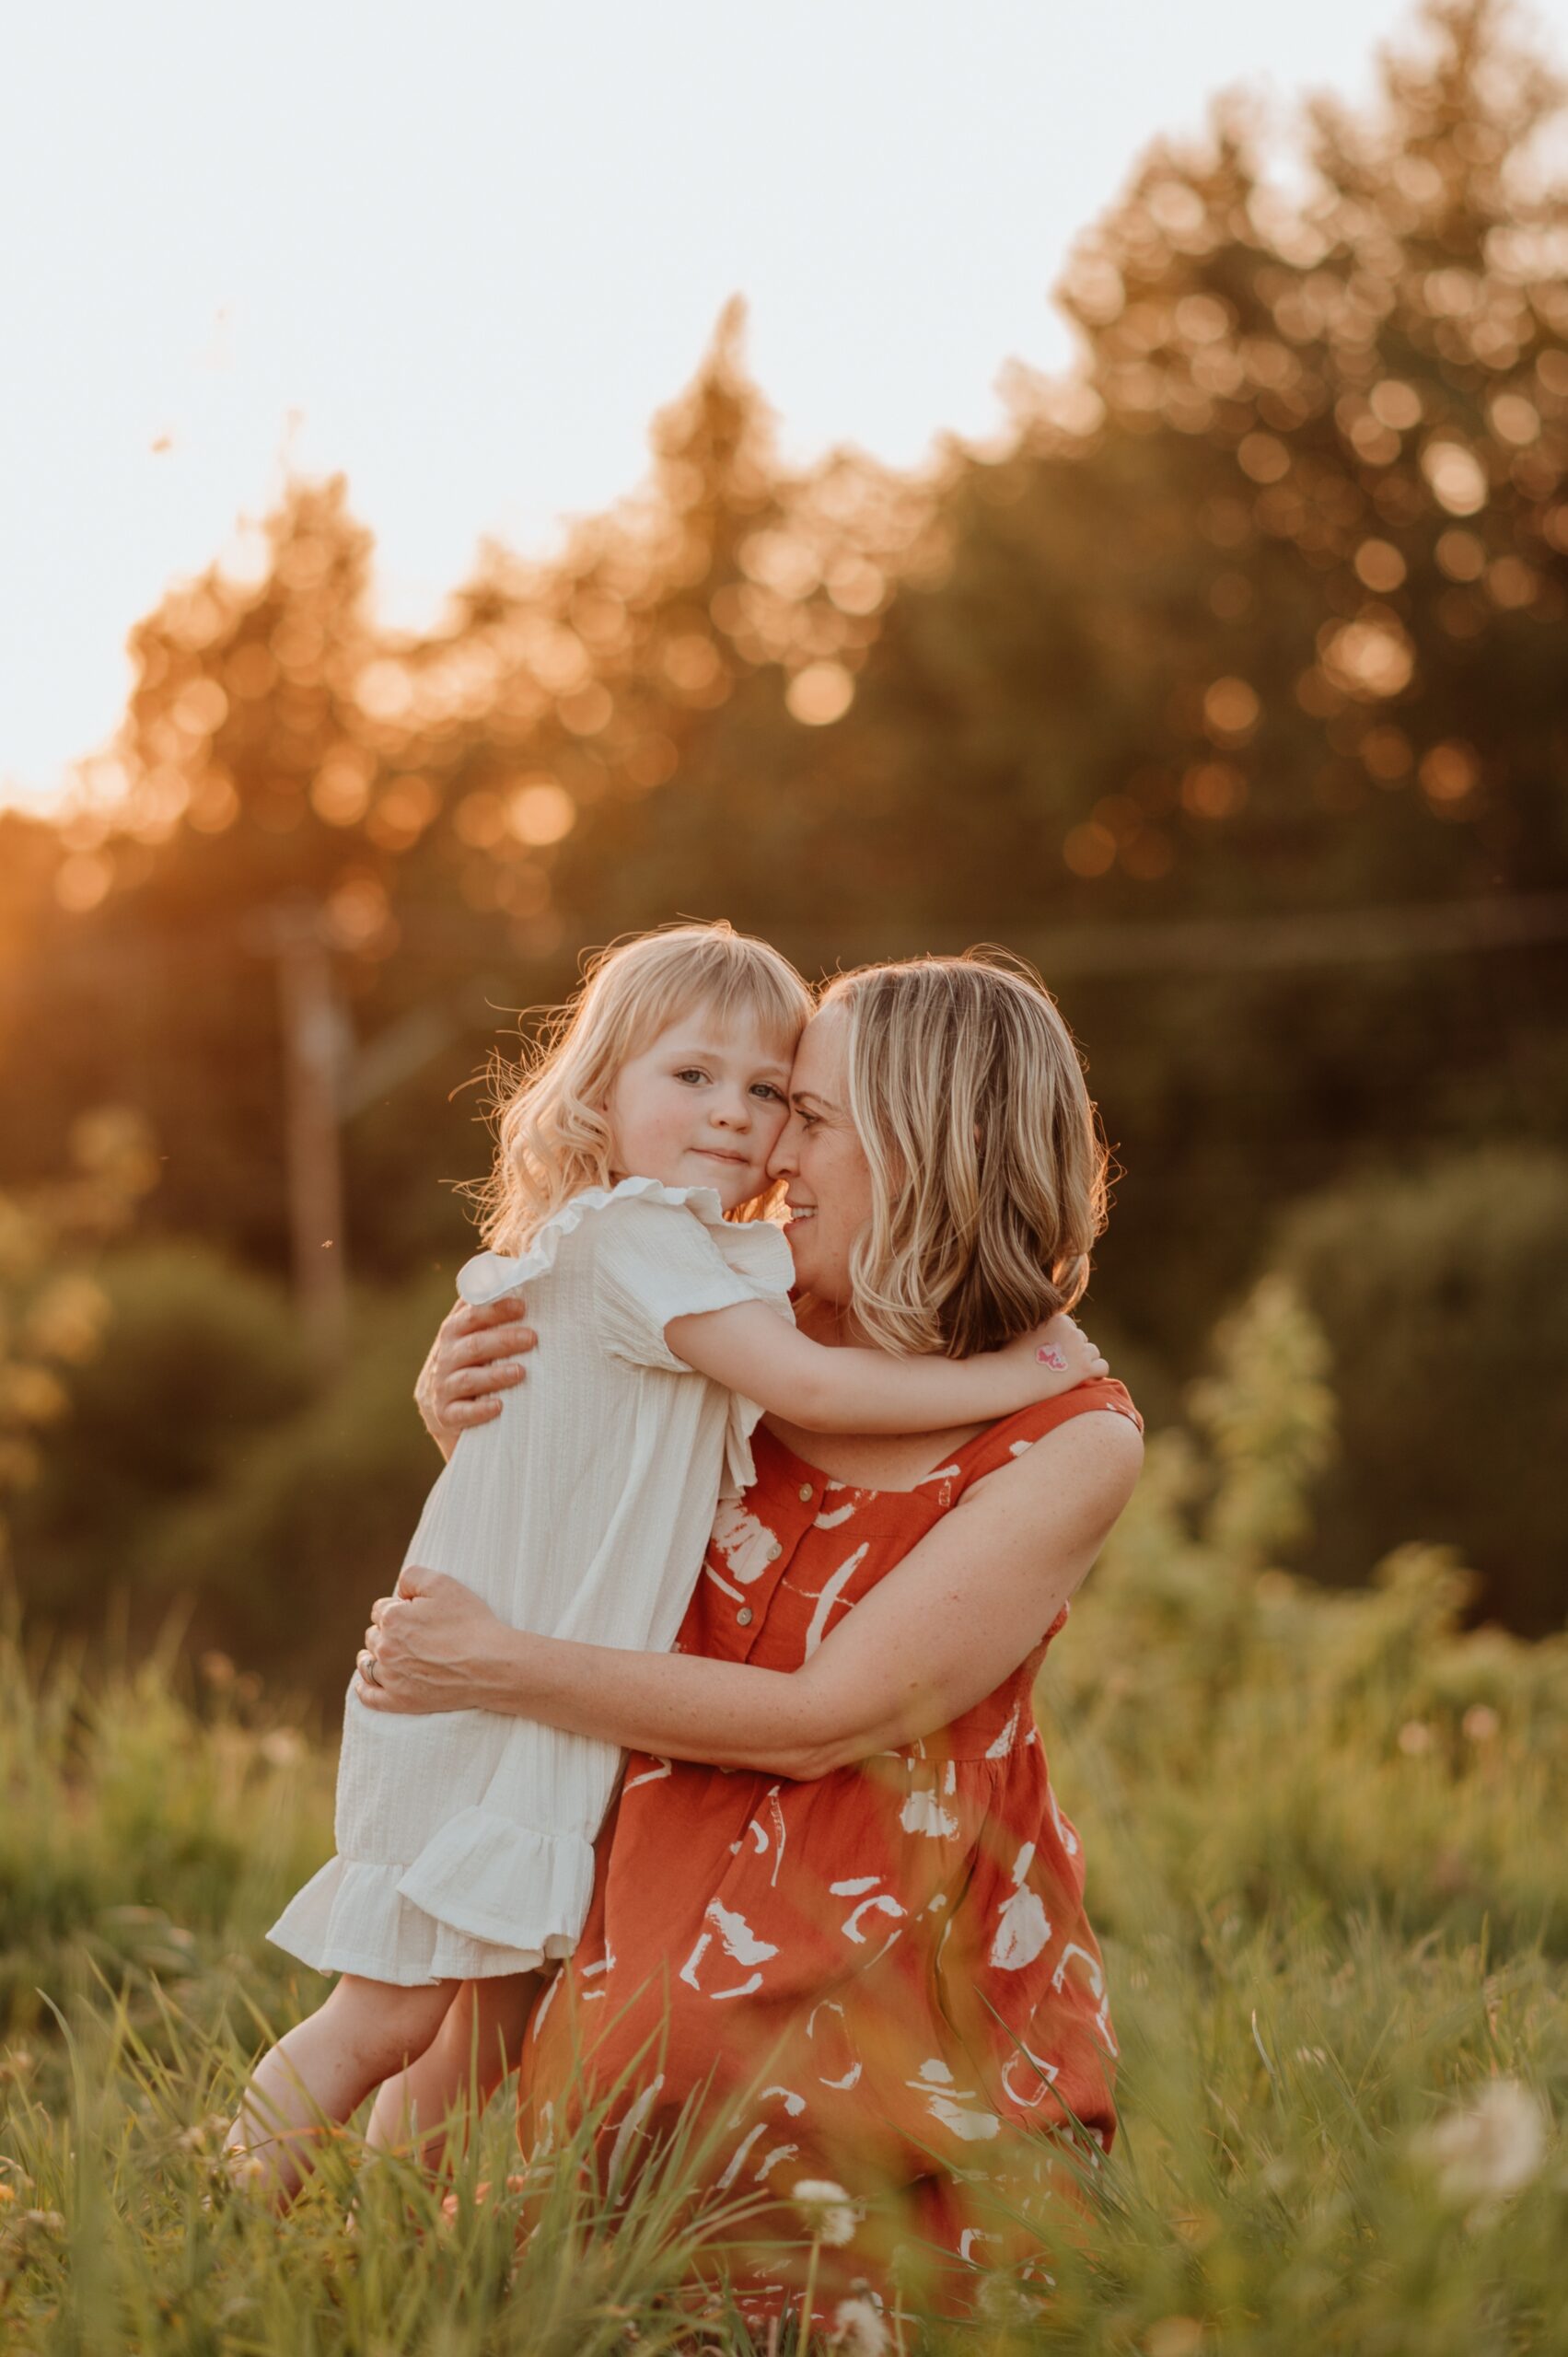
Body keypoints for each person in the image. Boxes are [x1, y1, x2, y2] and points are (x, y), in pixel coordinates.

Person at [227, 926, 1106, 2199]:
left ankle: (373, 2248)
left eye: (791, 1105)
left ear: (928, 1145)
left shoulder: (1033, 1420)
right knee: (428, 2025)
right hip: (557, 1736)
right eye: (724, 1089)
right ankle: (283, 2233)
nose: (763, 1141)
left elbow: (819, 1720)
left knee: (482, 2035)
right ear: (601, 1091)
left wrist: (1032, 1377)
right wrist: (459, 1404)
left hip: (787, 1831)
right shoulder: (728, 1291)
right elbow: (660, 1413)